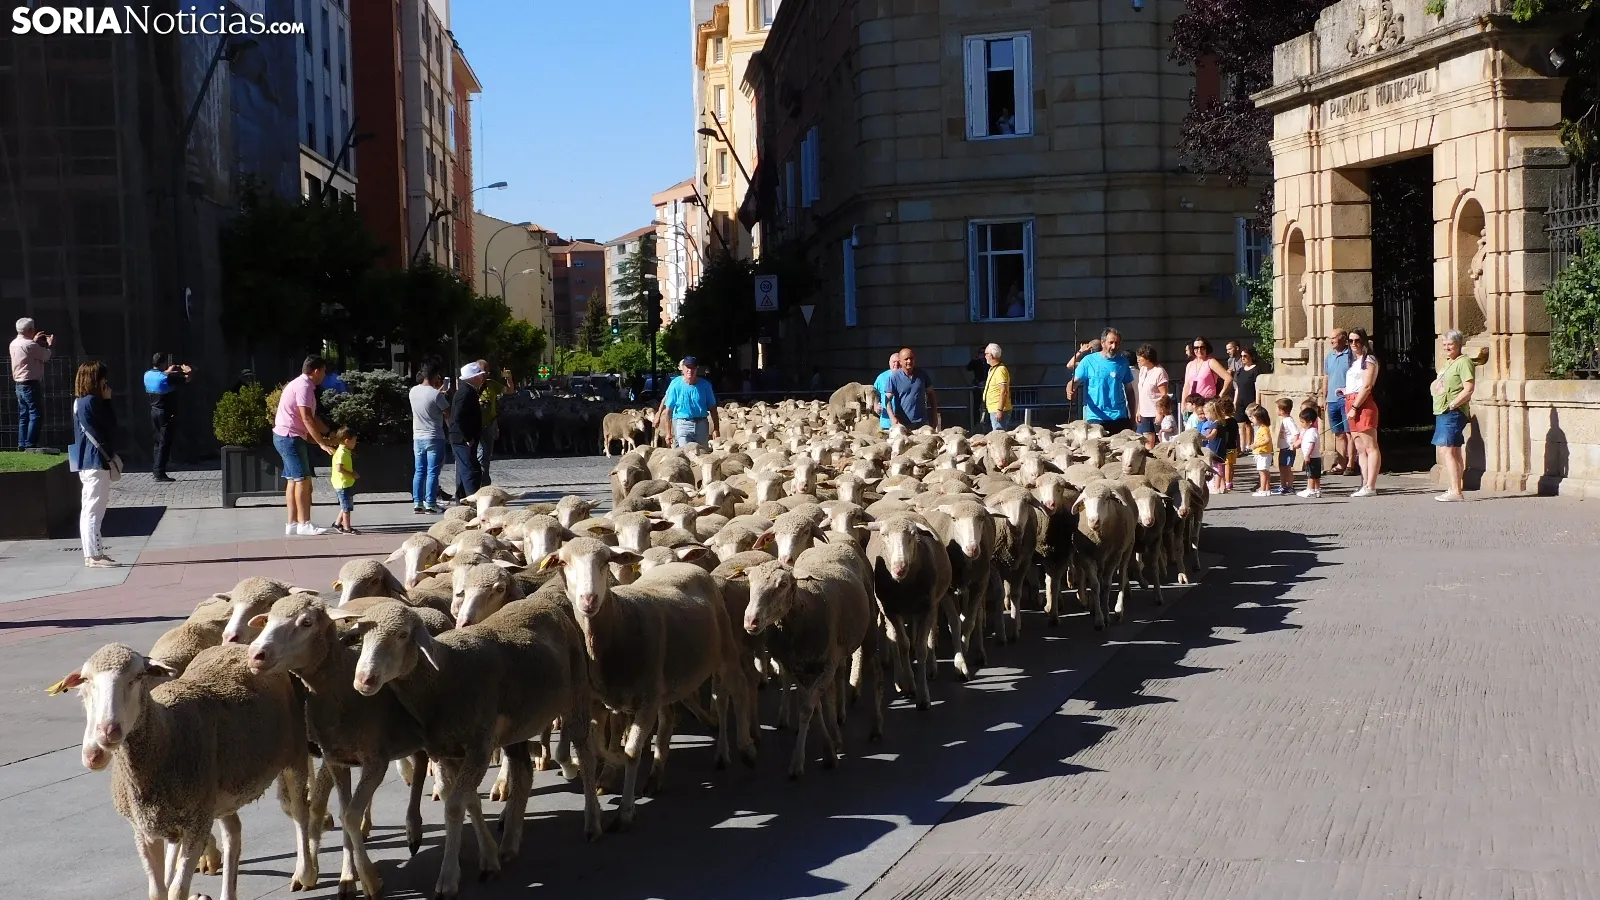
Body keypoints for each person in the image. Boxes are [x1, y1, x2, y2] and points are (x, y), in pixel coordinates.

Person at [272, 356, 334, 536]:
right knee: (303, 481)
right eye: (324, 371)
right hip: (291, 438)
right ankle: (304, 524)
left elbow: (312, 418)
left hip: (285, 436)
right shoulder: (304, 387)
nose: (324, 375)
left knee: (293, 479)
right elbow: (306, 418)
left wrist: (329, 432)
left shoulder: (301, 384)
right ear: (316, 371)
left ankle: (292, 524)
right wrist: (322, 443)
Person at [69, 360, 119, 567]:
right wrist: (107, 401)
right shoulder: (92, 402)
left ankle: (92, 554)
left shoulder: (79, 402)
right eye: (103, 378)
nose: (106, 383)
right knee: (94, 510)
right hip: (96, 461)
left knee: (89, 508)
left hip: (86, 461)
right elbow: (110, 426)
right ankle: (95, 555)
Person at [1432, 329, 1476, 502]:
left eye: (1450, 344)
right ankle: (1456, 487)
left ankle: (1456, 491)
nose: (1447, 347)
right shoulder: (1449, 362)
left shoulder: (1463, 362)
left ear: (1459, 344)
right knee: (1453, 450)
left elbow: (1469, 388)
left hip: (1452, 411)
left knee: (1448, 450)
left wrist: (1452, 405)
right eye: (1444, 344)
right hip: (1443, 410)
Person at [1066, 328, 1135, 434]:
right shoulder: (1088, 361)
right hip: (1096, 418)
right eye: (1110, 343)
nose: (1114, 346)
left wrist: (1133, 416)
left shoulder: (1123, 362)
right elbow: (1073, 382)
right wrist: (1069, 390)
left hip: (1119, 417)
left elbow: (1129, 390)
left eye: (1117, 343)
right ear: (1103, 343)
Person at [1341, 327, 1382, 497]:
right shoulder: (1354, 361)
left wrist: (1355, 407)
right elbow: (1357, 384)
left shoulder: (1368, 359)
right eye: (1350, 341)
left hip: (1362, 404)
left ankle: (1371, 485)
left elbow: (1367, 386)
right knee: (1360, 447)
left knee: (1370, 446)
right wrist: (1345, 391)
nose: (1354, 344)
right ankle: (1364, 483)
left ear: (1364, 341)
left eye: (1357, 340)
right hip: (1351, 400)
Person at [143, 353, 191, 482]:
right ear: (163, 363)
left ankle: (156, 469)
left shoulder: (147, 375)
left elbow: (160, 376)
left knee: (157, 441)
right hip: (165, 413)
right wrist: (188, 371)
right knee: (165, 442)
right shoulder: (166, 378)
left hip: (153, 410)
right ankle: (159, 472)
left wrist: (168, 371)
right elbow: (187, 379)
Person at [409, 363, 449, 514]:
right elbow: (448, 412)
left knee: (419, 471)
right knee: (432, 472)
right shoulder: (436, 395)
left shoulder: (413, 391)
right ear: (435, 376)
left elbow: (426, 401)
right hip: (434, 436)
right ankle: (431, 503)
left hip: (418, 437)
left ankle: (417, 503)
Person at [10, 317, 54, 450]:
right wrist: (49, 345)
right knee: (36, 414)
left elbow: (27, 353)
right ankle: (30, 444)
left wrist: (34, 341)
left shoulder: (13, 343)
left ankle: (22, 443)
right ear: (30, 330)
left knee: (24, 415)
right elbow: (45, 356)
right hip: (30, 384)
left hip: (19, 384)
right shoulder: (30, 345)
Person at [657, 356, 720, 447]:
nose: (690, 370)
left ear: (697, 369)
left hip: (701, 424)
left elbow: (713, 408)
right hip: (683, 423)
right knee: (685, 451)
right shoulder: (675, 385)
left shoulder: (705, 385)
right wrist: (668, 432)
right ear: (683, 368)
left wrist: (716, 429)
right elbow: (668, 410)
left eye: (693, 368)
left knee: (702, 452)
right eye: (688, 367)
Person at [450, 362, 488, 499]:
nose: (482, 377)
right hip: (463, 439)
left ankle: (462, 499)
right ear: (473, 377)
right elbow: (458, 417)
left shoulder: (468, 391)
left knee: (464, 470)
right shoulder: (466, 392)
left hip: (463, 437)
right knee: (470, 471)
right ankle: (472, 500)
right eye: (480, 375)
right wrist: (467, 437)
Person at [1323, 328, 1356, 475]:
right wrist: (1323, 397)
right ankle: (1341, 463)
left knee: (1349, 432)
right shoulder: (1329, 356)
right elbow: (1326, 377)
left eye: (1334, 337)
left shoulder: (1351, 355)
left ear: (1343, 338)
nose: (1331, 341)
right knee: (1338, 433)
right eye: (1330, 338)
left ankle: (1351, 464)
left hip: (1346, 399)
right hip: (1332, 400)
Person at [886, 346, 939, 430]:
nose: (909, 361)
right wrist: (892, 417)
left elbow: (931, 394)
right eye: (906, 359)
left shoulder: (922, 374)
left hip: (922, 422)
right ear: (900, 361)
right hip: (903, 424)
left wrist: (934, 416)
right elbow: (887, 399)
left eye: (911, 358)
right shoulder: (894, 378)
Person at [1134, 344, 1169, 449]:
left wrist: (1160, 413)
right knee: (1146, 442)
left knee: (1159, 443)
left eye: (1140, 357)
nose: (1138, 359)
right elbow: (1142, 392)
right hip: (1144, 413)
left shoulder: (1159, 372)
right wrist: (1138, 410)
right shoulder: (1143, 370)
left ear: (1148, 358)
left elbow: (1164, 395)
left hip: (1156, 413)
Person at [1182, 337, 1233, 405]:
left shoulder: (1211, 362)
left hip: (1207, 403)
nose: (1199, 350)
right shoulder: (1190, 365)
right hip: (1192, 404)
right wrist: (1183, 405)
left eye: (1202, 347)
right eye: (1196, 348)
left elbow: (1228, 378)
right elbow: (1186, 386)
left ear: (1206, 348)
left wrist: (1220, 396)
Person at [475, 358, 501, 486]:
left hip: (489, 423)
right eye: (483, 371)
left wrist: (509, 379)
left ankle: (484, 480)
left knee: (486, 454)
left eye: (487, 371)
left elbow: (509, 390)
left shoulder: (492, 384)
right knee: (478, 454)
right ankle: (479, 480)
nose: (486, 374)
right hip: (474, 423)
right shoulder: (471, 385)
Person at [329, 427, 359, 534]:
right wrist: (352, 474)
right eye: (354, 441)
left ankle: (337, 523)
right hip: (342, 484)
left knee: (346, 505)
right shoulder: (342, 453)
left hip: (345, 483)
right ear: (347, 441)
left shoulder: (344, 450)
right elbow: (339, 468)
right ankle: (347, 528)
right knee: (346, 508)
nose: (355, 444)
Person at [1233, 346, 1262, 454]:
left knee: (1249, 424)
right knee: (1240, 424)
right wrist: (1235, 402)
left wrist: (1257, 403)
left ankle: (1249, 445)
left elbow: (1257, 387)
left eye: (1245, 356)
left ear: (1251, 356)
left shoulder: (1256, 370)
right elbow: (1237, 388)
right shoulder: (1240, 371)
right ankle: (1242, 447)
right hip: (1240, 400)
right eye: (1241, 356)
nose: (1243, 358)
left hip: (1251, 400)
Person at [982, 343, 1012, 431]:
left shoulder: (1000, 370)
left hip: (998, 409)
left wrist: (999, 409)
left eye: (986, 354)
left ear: (991, 355)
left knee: (999, 433)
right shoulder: (993, 369)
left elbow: (1004, 391)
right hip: (993, 408)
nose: (985, 356)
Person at [1296, 405, 1323, 499]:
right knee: (1315, 475)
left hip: (1312, 457)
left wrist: (1308, 455)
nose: (1301, 424)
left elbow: (1312, 444)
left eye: (1303, 422)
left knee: (1311, 475)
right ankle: (1317, 490)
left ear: (1310, 422)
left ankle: (1310, 490)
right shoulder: (1310, 431)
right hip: (1315, 457)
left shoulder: (1311, 432)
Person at [1274, 397, 1299, 496]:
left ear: (1282, 410)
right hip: (1283, 447)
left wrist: (1294, 444)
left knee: (1287, 468)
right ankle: (1283, 485)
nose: (1276, 410)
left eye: (1277, 408)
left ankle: (1290, 486)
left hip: (1288, 448)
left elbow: (1296, 433)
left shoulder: (1289, 420)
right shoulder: (1285, 420)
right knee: (1282, 467)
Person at [1248, 405, 1273, 497]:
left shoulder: (1263, 428)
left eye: (1253, 418)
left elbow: (1267, 439)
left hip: (1263, 453)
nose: (1251, 420)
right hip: (1262, 453)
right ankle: (1266, 489)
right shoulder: (1262, 428)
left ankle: (1262, 489)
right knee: (1265, 472)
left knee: (1262, 472)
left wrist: (1256, 445)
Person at [873, 352, 901, 430]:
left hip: (904, 421)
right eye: (894, 362)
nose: (896, 364)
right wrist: (875, 405)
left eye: (898, 362)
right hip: (886, 422)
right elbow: (874, 393)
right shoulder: (881, 378)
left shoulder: (906, 377)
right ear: (889, 363)